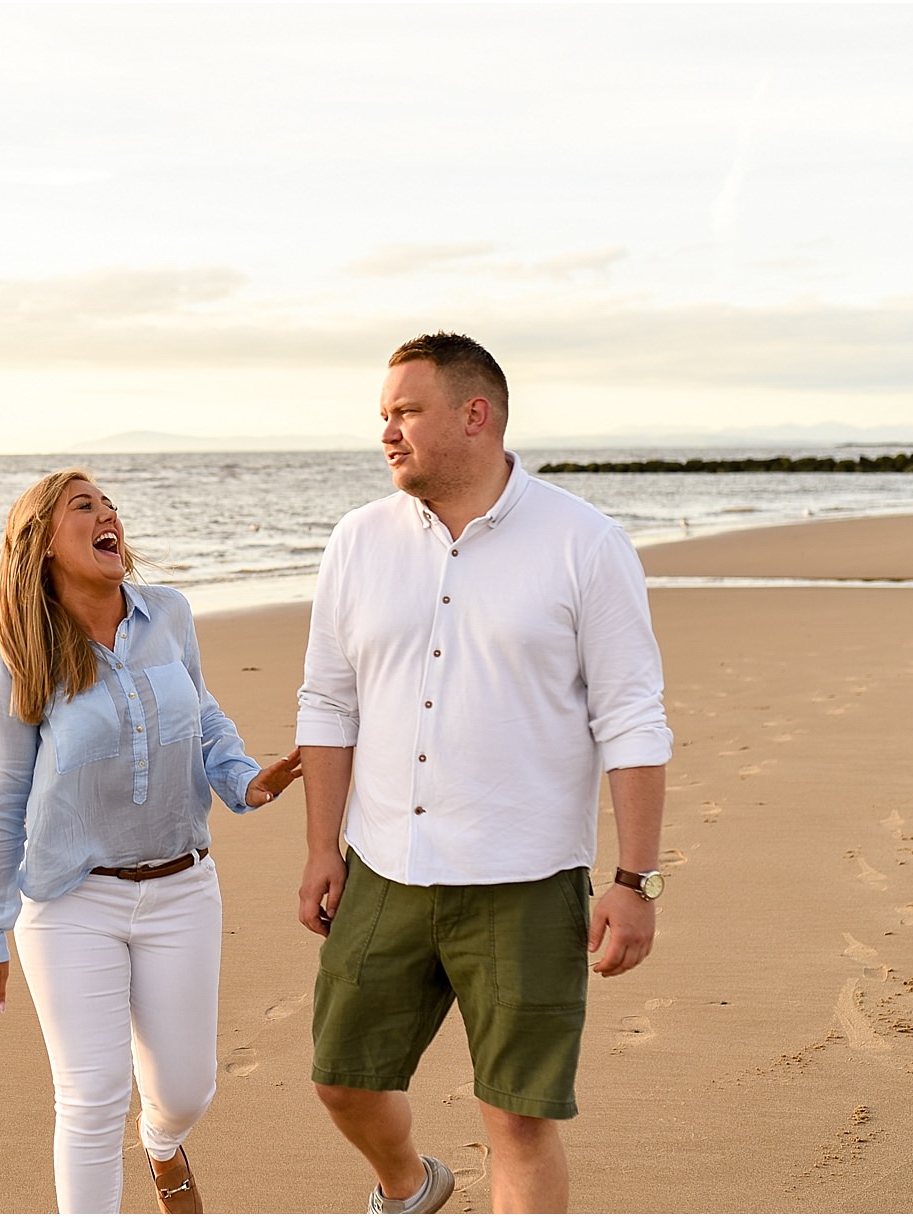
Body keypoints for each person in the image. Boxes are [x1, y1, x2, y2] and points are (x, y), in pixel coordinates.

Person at [295, 333, 673, 1214]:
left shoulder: (585, 543)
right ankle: (410, 1182)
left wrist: (635, 879)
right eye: (383, 415)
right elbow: (328, 702)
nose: (387, 432)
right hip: (385, 864)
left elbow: (632, 718)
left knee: (518, 1118)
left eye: (406, 411)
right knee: (342, 1079)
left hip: (526, 879)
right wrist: (322, 846)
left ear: (477, 414)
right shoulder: (357, 542)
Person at [0, 468, 302, 1215]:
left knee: (184, 1090)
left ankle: (162, 1144)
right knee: (89, 1097)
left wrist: (247, 780)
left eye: (110, 505)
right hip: (68, 900)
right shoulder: (19, 652)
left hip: (183, 884)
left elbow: (203, 716)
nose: (107, 515)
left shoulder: (170, 615)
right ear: (42, 543)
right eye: (84, 506)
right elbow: (0, 799)